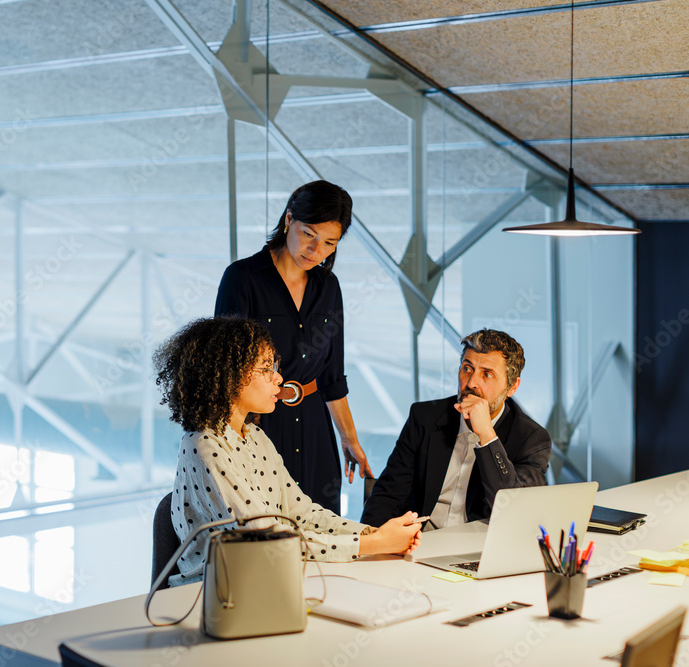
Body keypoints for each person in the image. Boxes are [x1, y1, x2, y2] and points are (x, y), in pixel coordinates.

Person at [153, 316, 423, 586]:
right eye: (266, 368)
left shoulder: (256, 436)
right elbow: (266, 539)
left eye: (275, 366)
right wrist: (372, 543)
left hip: (266, 582)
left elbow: (303, 514)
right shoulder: (204, 445)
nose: (279, 378)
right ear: (229, 376)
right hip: (213, 596)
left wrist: (374, 534)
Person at [214, 180, 369, 514]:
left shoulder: (329, 287)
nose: (316, 250)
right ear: (288, 220)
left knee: (323, 528)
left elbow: (331, 376)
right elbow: (226, 371)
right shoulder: (242, 278)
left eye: (330, 243)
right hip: (258, 425)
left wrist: (349, 439)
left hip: (316, 430)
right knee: (267, 531)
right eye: (309, 234)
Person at [362, 328, 551, 529]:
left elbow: (516, 512)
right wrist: (374, 546)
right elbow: (388, 496)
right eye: (467, 369)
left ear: (512, 386)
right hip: (420, 543)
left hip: (480, 551)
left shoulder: (531, 439)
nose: (471, 383)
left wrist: (487, 436)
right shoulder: (425, 417)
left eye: (487, 374)